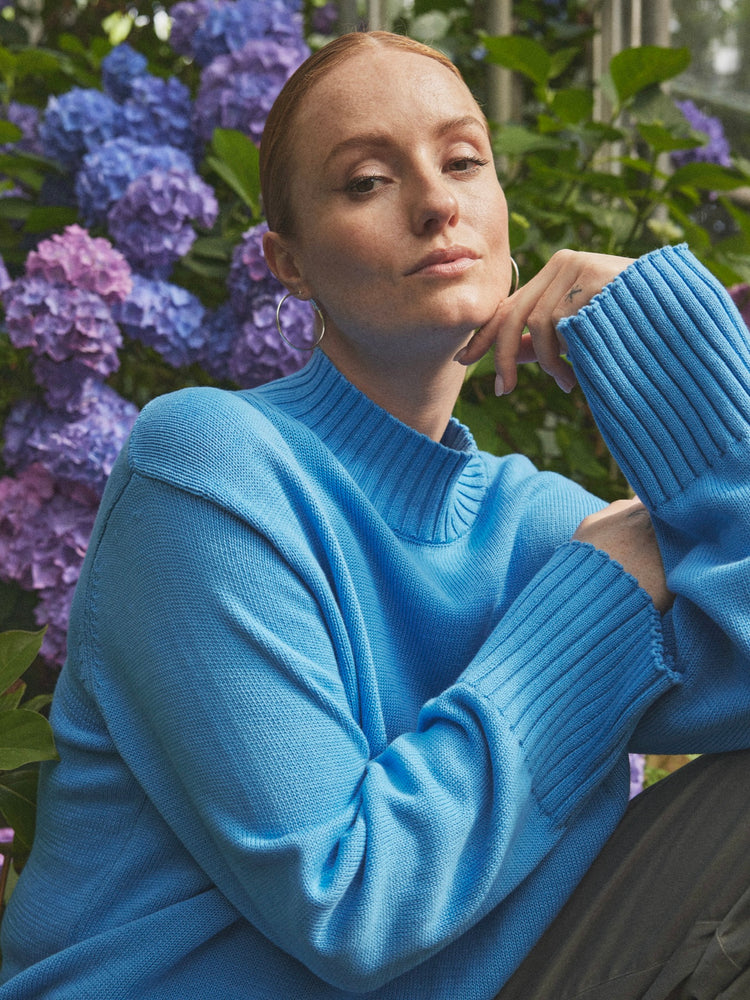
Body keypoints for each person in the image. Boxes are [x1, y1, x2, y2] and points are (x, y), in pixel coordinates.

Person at [2, 29, 750, 1000]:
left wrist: (674, 347)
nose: (437, 203)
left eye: (464, 161)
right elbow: (351, 901)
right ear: (289, 262)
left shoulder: (535, 524)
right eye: (366, 181)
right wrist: (600, 597)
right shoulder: (210, 467)